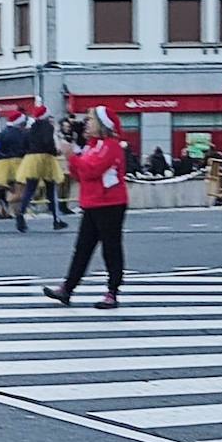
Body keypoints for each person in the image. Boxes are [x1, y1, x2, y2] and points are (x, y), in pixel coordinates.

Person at [42, 105, 129, 310]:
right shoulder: (93, 145)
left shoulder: (110, 146)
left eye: (90, 120)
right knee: (82, 248)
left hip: (110, 203)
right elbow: (80, 173)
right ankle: (67, 288)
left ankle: (112, 291)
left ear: (101, 124)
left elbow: (91, 170)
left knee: (111, 249)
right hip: (93, 202)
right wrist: (72, 159)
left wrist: (72, 156)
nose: (86, 123)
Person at [15, 104, 65, 232]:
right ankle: (56, 219)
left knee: (30, 188)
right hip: (45, 158)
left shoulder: (31, 128)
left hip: (31, 159)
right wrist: (54, 151)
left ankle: (21, 213)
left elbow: (24, 144)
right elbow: (47, 141)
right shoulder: (48, 126)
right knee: (51, 189)